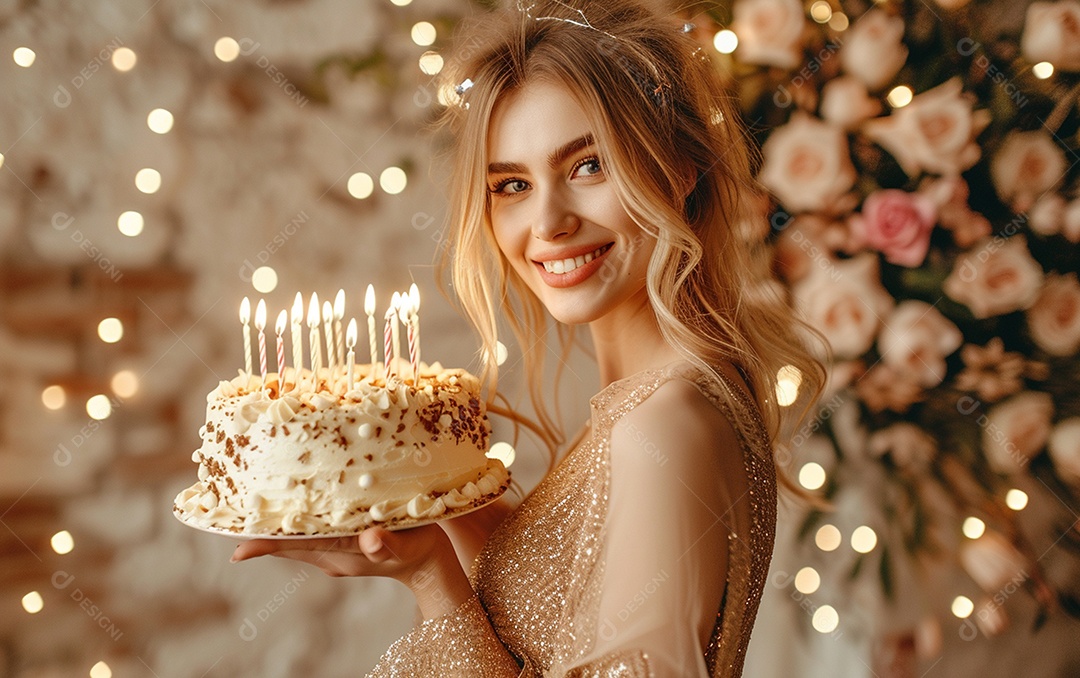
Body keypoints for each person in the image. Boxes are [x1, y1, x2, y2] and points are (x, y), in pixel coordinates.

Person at [232, 1, 825, 675]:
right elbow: (555, 618)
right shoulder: (646, 404)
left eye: (589, 166)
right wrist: (438, 500)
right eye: (512, 184)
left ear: (679, 168)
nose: (547, 222)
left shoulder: (663, 425)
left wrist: (432, 578)